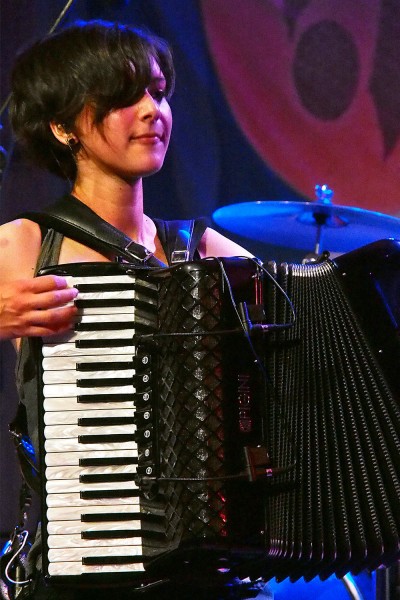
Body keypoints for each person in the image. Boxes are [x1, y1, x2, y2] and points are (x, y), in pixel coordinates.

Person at [0, 19, 271, 600]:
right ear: (62, 126)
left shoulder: (201, 250)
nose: (152, 110)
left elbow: (306, 331)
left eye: (157, 91)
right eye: (124, 98)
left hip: (205, 573)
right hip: (82, 566)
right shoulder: (24, 244)